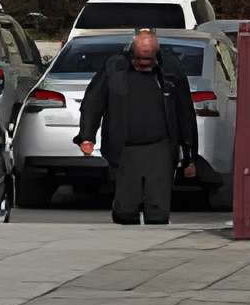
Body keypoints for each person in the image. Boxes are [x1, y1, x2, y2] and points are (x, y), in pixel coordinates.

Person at [74, 27, 197, 225]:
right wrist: (87, 135)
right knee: (125, 210)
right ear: (132, 52)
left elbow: (185, 113)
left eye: (149, 61)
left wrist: (189, 154)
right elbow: (93, 102)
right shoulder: (115, 67)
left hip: (161, 147)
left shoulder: (171, 70)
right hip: (124, 146)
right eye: (140, 59)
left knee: (157, 210)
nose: (143, 64)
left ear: (157, 55)